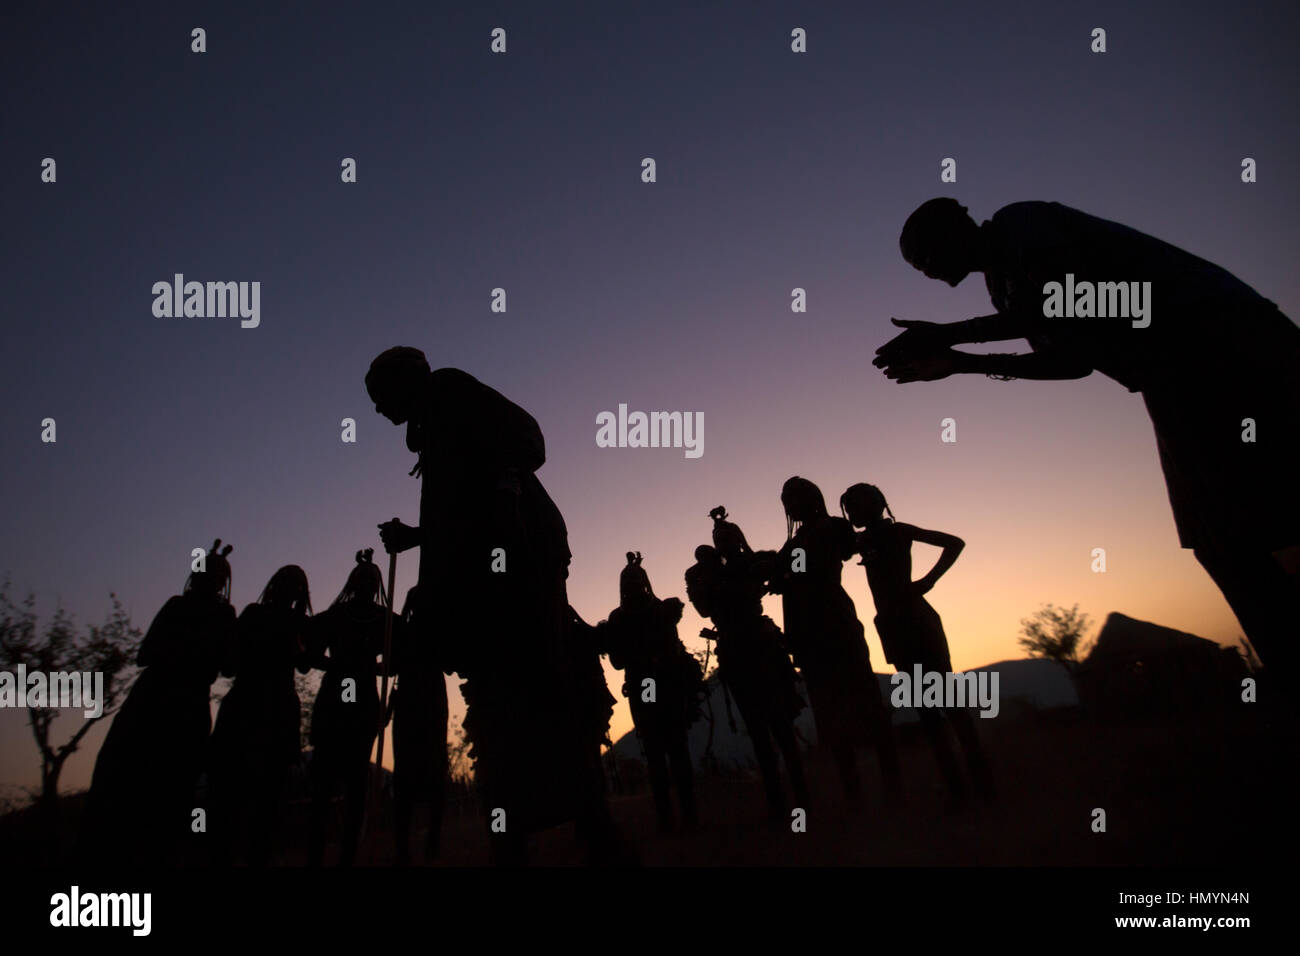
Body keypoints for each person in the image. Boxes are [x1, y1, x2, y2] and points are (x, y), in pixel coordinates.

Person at [875, 198, 1300, 683]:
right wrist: (960, 362)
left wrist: (954, 335)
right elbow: (1069, 361)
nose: (927, 272)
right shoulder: (1005, 286)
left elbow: (1070, 303)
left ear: (959, 226)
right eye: (918, 267)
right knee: (1217, 538)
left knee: (1263, 518)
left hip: (1227, 347)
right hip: (1170, 379)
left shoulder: (1023, 223)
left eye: (926, 256)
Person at [366, 348, 625, 864]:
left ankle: (589, 827)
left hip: (522, 562)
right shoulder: (436, 428)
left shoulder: (451, 391)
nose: (376, 412)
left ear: (406, 383)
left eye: (380, 398)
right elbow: (465, 517)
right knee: (502, 697)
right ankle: (521, 828)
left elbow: (528, 436)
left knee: (537, 682)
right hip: (489, 577)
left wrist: (508, 495)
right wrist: (417, 536)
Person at [79, 540, 237, 864]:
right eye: (212, 573)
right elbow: (147, 654)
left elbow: (225, 663)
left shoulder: (211, 612)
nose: (214, 581)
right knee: (133, 783)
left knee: (163, 790)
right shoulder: (188, 608)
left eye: (217, 575)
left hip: (171, 703)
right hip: (161, 703)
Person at [840, 483, 994, 808]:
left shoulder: (895, 533)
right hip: (896, 625)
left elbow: (954, 543)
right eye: (848, 507)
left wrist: (929, 580)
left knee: (946, 707)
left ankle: (976, 785)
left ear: (874, 505)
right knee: (930, 710)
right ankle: (963, 787)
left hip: (914, 622)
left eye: (854, 506)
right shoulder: (866, 540)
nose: (851, 513)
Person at [768, 477, 900, 806]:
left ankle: (892, 783)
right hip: (809, 631)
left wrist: (785, 575)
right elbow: (789, 572)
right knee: (829, 711)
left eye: (796, 497)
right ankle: (853, 789)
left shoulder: (830, 529)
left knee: (866, 701)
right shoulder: (797, 541)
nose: (791, 505)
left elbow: (815, 565)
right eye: (787, 499)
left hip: (834, 622)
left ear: (812, 498)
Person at [685, 508, 808, 821]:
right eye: (718, 537)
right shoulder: (711, 574)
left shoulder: (746, 565)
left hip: (756, 644)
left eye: (725, 535)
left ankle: (796, 798)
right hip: (741, 647)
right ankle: (784, 800)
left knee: (776, 723)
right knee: (761, 726)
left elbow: (782, 572)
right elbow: (702, 607)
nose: (722, 539)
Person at [208, 564, 311, 866]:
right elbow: (230, 663)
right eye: (287, 585)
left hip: (265, 709)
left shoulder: (288, 621)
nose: (289, 592)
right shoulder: (261, 616)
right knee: (241, 797)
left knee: (261, 798)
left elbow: (303, 663)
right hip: (253, 708)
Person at [595, 552, 703, 832]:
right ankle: (683, 816)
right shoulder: (657, 610)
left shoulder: (625, 617)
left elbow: (619, 661)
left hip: (651, 685)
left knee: (660, 751)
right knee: (669, 749)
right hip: (660, 684)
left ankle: (673, 818)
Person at [302, 549, 395, 866]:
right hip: (336, 702)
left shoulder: (384, 620)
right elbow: (308, 656)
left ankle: (347, 855)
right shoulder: (336, 616)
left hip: (362, 705)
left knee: (356, 784)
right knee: (324, 785)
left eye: (372, 579)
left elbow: (399, 656)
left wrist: (380, 665)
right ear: (354, 581)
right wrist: (342, 663)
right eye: (364, 578)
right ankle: (315, 855)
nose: (368, 584)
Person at [390, 584, 448, 866]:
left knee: (435, 770)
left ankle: (433, 838)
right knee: (406, 774)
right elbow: (391, 665)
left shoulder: (436, 632)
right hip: (410, 702)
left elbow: (451, 662)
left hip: (432, 703)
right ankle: (403, 844)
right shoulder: (401, 631)